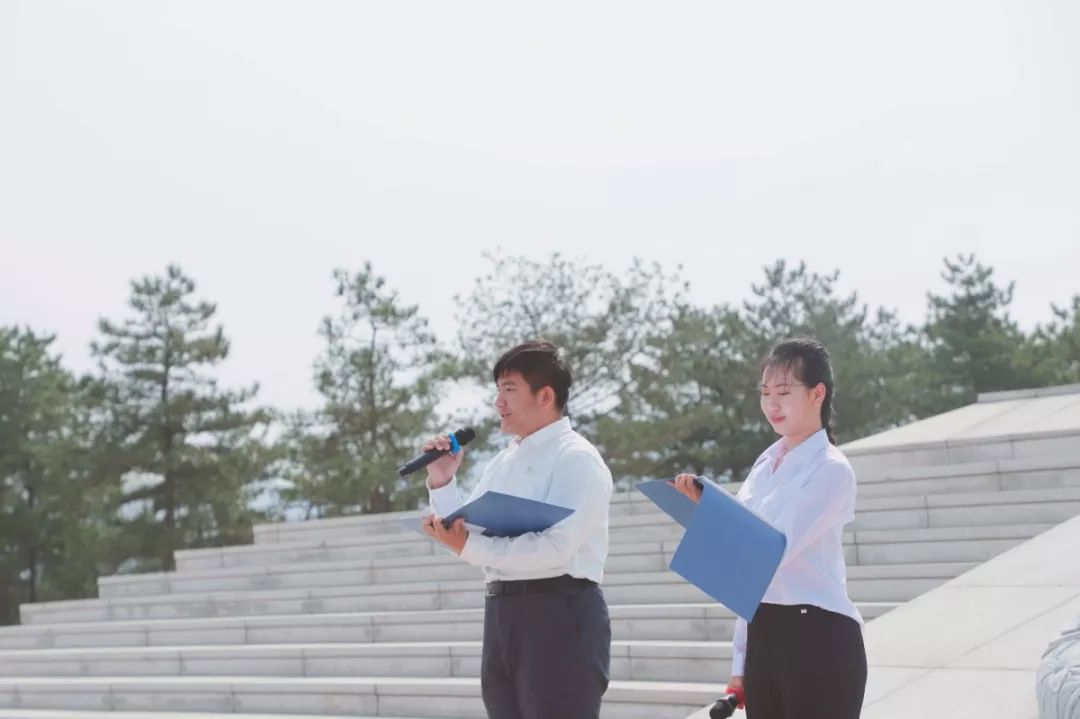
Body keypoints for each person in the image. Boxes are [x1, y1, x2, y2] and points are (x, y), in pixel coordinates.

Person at [673, 336, 867, 719]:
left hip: (818, 637)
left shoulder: (831, 469)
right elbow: (751, 583)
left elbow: (770, 553)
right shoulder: (764, 465)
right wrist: (740, 662)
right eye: (765, 393)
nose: (772, 404)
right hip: (765, 633)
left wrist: (713, 516)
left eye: (783, 391)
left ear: (817, 393)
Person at [421, 340, 613, 719]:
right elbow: (465, 529)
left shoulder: (576, 458)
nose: (498, 403)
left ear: (546, 396)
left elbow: (557, 548)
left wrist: (468, 545)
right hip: (502, 613)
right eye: (498, 391)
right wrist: (442, 481)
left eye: (509, 390)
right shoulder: (503, 461)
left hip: (558, 613)